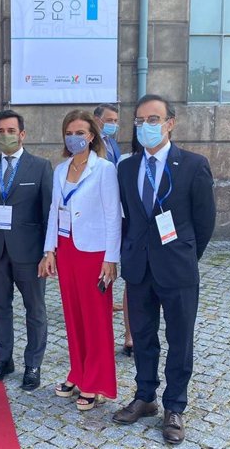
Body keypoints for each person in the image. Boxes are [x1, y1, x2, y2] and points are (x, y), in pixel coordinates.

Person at [113, 94, 216, 445]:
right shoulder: (126, 168)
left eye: (153, 119)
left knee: (179, 339)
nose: (146, 126)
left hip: (177, 269)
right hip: (139, 268)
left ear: (170, 122)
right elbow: (127, 217)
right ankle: (145, 397)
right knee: (142, 336)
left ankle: (174, 406)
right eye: (140, 121)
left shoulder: (192, 165)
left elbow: (204, 222)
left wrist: (185, 255)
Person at [41, 110, 122, 411]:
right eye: (69, 132)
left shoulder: (104, 169)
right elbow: (54, 211)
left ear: (91, 136)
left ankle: (96, 382)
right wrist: (49, 250)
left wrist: (111, 258)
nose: (75, 137)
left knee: (95, 318)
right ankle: (77, 371)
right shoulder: (60, 170)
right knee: (73, 316)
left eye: (80, 132)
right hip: (66, 249)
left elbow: (114, 214)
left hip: (94, 253)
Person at [0, 110, 53, 391]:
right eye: (0, 131)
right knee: (0, 308)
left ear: (22, 134)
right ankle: (4, 359)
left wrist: (48, 252)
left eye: (11, 130)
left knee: (35, 310)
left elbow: (48, 214)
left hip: (30, 253)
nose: (5, 135)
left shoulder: (41, 167)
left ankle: (33, 364)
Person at [94, 103, 133, 356]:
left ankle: (129, 332)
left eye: (117, 120)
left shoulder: (113, 144)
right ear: (97, 120)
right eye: (110, 119)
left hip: (118, 213)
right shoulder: (92, 145)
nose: (114, 124)